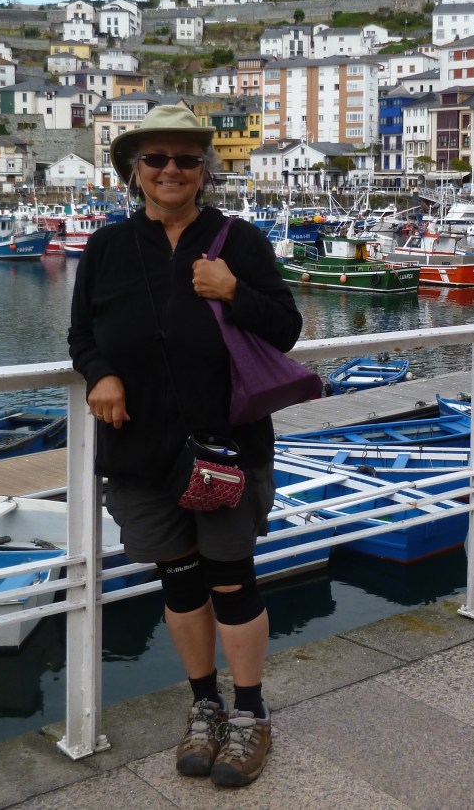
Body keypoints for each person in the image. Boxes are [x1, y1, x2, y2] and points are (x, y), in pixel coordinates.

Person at [67, 104, 303, 788]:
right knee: (178, 579)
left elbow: (284, 329)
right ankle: (204, 705)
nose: (170, 169)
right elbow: (81, 334)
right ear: (133, 170)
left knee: (232, 580)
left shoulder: (239, 241)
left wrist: (233, 292)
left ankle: (250, 712)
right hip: (139, 448)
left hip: (225, 447)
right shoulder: (107, 247)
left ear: (204, 169)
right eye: (156, 158)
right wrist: (100, 373)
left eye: (186, 159)